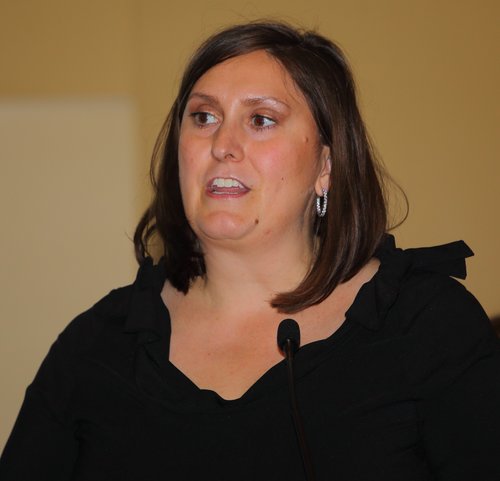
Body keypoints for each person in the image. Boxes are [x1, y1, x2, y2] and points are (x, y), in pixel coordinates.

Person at [1, 21, 499, 481]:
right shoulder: (98, 346)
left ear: (326, 165)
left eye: (260, 119)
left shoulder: (428, 327)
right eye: (202, 117)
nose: (222, 143)